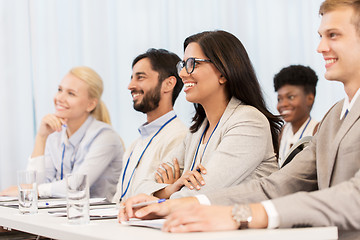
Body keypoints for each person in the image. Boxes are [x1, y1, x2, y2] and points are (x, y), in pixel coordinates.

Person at [119, 0, 360, 232]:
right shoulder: (335, 116)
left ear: (224, 72)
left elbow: (354, 197)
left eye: (333, 35)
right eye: (321, 36)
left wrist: (239, 214)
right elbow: (277, 186)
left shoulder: (248, 121)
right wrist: (171, 200)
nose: (320, 47)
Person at [120, 30, 282, 203]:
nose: (182, 74)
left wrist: (163, 194)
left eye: (192, 64)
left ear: (223, 72)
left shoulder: (249, 122)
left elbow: (202, 193)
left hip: (245, 227)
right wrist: (170, 188)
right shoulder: (196, 132)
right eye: (182, 65)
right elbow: (140, 186)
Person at [0, 66, 124, 201]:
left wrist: (31, 190)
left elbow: (77, 186)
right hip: (63, 216)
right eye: (60, 90)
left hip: (97, 218)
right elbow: (35, 184)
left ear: (90, 104)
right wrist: (41, 137)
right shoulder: (55, 135)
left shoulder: (105, 137)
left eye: (71, 93)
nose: (60, 98)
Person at [111, 49, 188, 202]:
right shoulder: (136, 144)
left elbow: (159, 197)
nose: (130, 86)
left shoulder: (179, 138)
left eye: (140, 77)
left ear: (169, 83)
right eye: (132, 78)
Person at [274, 65, 319, 167]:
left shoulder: (317, 131)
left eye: (291, 97)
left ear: (310, 99)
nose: (283, 104)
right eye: (279, 99)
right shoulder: (282, 133)